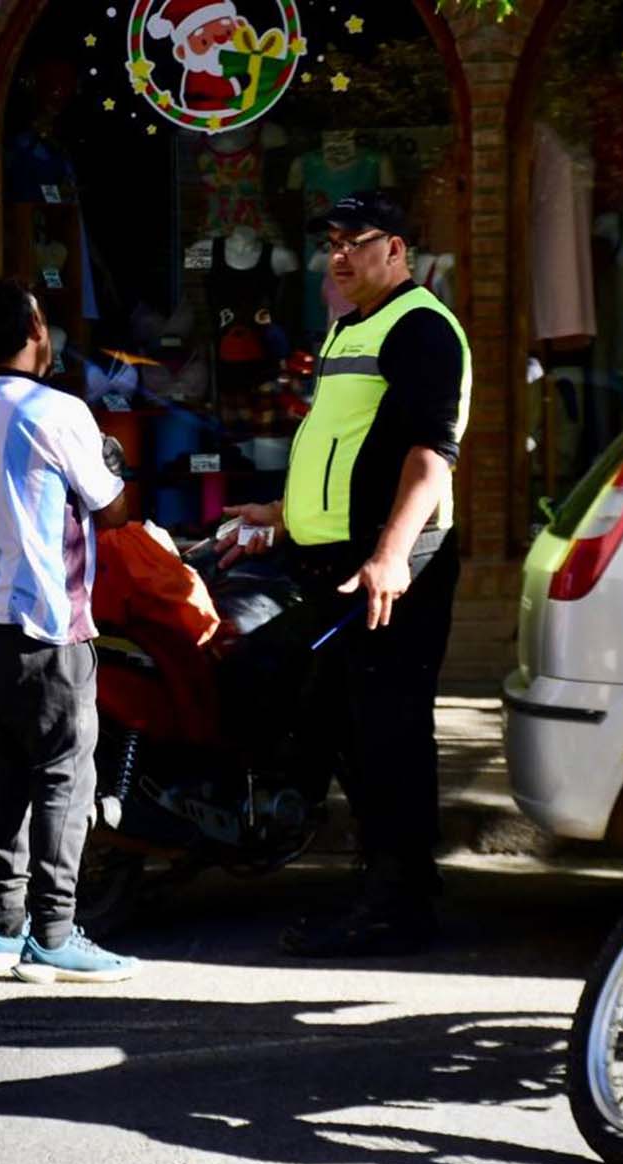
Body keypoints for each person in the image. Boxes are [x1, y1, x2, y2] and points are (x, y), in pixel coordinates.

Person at [219, 191, 470, 956]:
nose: (338, 256)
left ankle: (400, 904)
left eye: (355, 242)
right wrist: (281, 513)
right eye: (331, 241)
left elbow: (430, 456)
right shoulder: (349, 325)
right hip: (334, 559)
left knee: (384, 730)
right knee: (336, 716)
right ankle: (383, 882)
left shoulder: (423, 326)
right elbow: (340, 444)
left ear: (397, 250)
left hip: (392, 565)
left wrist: (391, 555)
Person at [0, 277, 140, 983]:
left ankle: (2, 929)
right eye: (43, 321)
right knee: (66, 772)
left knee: (9, 775)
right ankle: (55, 933)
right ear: (33, 331)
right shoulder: (58, 411)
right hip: (49, 621)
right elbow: (112, 508)